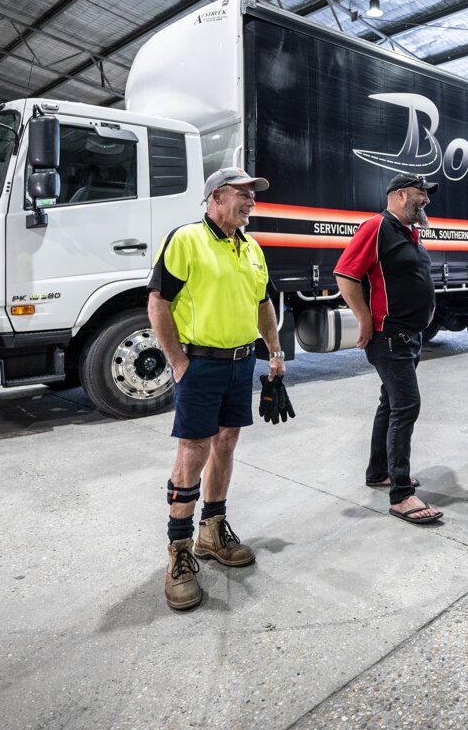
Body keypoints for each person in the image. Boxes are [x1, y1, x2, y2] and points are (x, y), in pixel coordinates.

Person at [149, 167, 286, 613]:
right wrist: (179, 364)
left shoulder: (251, 247)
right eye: (244, 194)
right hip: (200, 363)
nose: (251, 202)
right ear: (216, 196)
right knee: (193, 451)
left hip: (241, 362)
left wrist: (275, 353)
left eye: (253, 195)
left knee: (225, 444)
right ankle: (179, 551)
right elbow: (158, 304)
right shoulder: (186, 239)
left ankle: (213, 530)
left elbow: (262, 303)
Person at [335, 173, 443, 526]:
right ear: (398, 195)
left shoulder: (410, 233)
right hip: (390, 338)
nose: (425, 199)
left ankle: (379, 472)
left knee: (391, 403)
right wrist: (364, 319)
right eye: (419, 193)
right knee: (406, 406)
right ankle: (400, 495)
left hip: (409, 337)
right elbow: (346, 274)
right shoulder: (377, 227)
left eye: (426, 194)